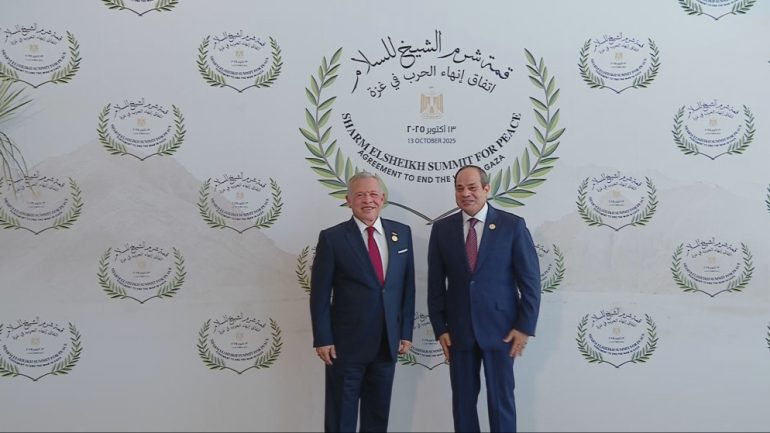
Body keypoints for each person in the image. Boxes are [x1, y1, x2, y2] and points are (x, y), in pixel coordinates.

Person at [427, 165, 541, 433]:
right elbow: (435, 284)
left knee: (502, 403)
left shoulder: (512, 226)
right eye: (459, 188)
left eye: (472, 187)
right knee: (463, 405)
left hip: (503, 330)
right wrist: (440, 327)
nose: (465, 193)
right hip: (458, 331)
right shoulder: (442, 229)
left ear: (487, 189)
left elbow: (531, 282)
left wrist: (524, 326)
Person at [310, 171, 416, 432]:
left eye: (373, 194)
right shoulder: (333, 238)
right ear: (348, 200)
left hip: (387, 343)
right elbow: (320, 294)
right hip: (345, 346)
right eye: (360, 195)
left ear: (382, 198)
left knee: (377, 417)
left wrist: (405, 332)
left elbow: (407, 288)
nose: (368, 200)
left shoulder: (402, 234)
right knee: (341, 419)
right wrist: (323, 338)